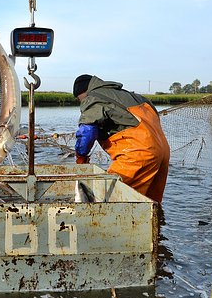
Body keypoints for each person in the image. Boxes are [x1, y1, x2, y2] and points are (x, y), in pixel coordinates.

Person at [72, 74, 170, 204]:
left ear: (82, 93)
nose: (81, 103)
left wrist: (80, 155)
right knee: (150, 206)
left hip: (138, 153)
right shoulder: (129, 95)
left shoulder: (93, 98)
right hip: (162, 151)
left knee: (111, 201)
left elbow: (87, 132)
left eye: (79, 100)